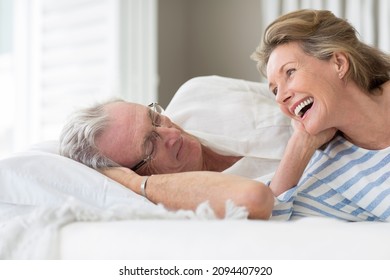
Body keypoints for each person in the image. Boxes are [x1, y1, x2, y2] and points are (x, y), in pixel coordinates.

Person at [60, 76, 331, 219]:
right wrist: (133, 184)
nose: (170, 133)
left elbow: (291, 91)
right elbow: (260, 201)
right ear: (131, 173)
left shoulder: (198, 91)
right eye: (149, 145)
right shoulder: (192, 208)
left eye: (154, 117)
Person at [251, 9, 390, 221]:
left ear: (339, 63)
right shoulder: (330, 172)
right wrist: (300, 145)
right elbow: (269, 221)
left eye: (290, 72)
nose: (280, 98)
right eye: (275, 90)